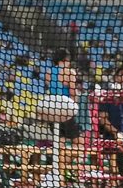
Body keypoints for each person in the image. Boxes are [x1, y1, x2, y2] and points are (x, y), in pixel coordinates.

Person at [45, 48, 82, 178]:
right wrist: (75, 105)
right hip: (65, 110)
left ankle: (57, 173)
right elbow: (72, 93)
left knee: (59, 143)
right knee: (79, 143)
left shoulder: (48, 73)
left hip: (52, 111)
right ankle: (59, 171)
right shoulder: (69, 72)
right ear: (65, 59)